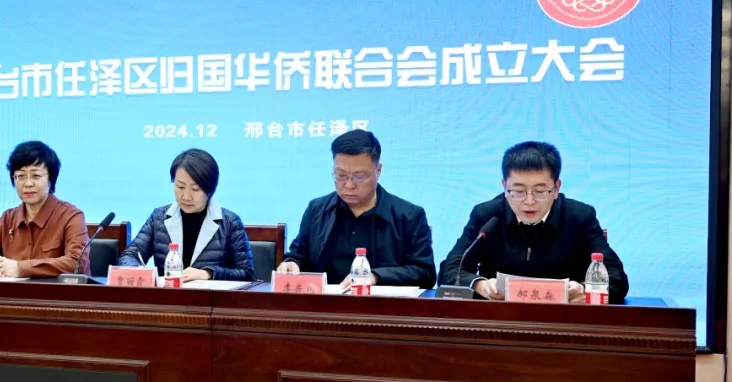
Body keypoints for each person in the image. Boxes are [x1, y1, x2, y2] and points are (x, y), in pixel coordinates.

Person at [438, 141, 628, 303]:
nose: (529, 201)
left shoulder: (579, 216)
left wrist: (584, 290)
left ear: (556, 187)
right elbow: (450, 270)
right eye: (518, 191)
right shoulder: (487, 215)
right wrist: (480, 285)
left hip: (563, 320)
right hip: (499, 319)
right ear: (504, 186)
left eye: (540, 191)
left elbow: (617, 279)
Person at [278, 129, 436, 287]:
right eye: (341, 175)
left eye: (359, 176)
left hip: (380, 302)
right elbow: (298, 256)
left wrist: (377, 276)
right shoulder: (317, 209)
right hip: (326, 301)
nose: (349, 185)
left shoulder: (409, 216)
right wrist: (291, 263)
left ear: (378, 171)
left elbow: (425, 273)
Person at [118, 148, 254, 281]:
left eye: (195, 189)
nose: (186, 196)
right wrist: (137, 270)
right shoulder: (159, 217)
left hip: (208, 295)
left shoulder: (230, 223)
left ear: (210, 190)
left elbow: (246, 273)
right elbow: (130, 255)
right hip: (167, 294)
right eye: (180, 187)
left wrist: (208, 274)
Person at [0, 141, 89, 278]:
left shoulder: (71, 216)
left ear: (51, 178)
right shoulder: (7, 219)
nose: (28, 183)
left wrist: (20, 268)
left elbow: (77, 263)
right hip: (12, 292)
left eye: (36, 176)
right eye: (21, 176)